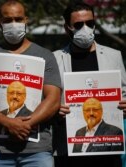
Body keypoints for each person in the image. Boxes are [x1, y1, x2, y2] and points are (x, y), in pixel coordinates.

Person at [0, 1, 61, 166]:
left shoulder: (46, 56)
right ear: (0, 23)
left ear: (26, 20)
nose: (14, 24)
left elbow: (53, 99)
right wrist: (8, 123)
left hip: (38, 151)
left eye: (18, 19)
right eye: (8, 20)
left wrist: (25, 125)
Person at [53, 2, 126, 167]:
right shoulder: (55, 59)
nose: (85, 28)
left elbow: (124, 90)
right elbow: (46, 98)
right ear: (67, 28)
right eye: (78, 25)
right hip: (68, 148)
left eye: (90, 23)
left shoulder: (113, 56)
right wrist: (54, 108)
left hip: (108, 150)